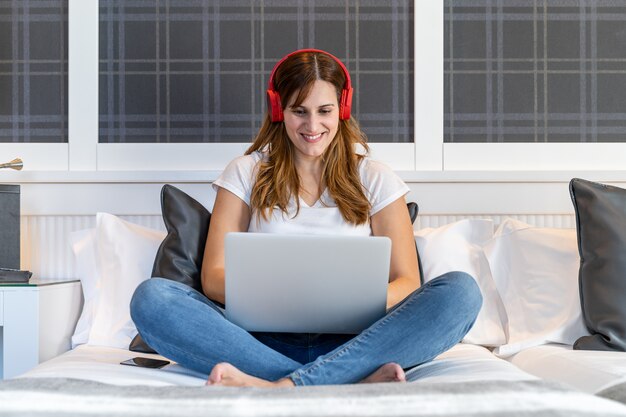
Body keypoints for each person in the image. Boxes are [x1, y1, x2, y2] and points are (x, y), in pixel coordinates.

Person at [130, 49, 482, 388]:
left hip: (357, 340)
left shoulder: (376, 177)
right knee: (152, 299)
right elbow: (214, 278)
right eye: (299, 111)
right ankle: (337, 379)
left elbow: (407, 282)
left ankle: (283, 383)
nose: (312, 125)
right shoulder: (245, 172)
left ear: (342, 108)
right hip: (256, 342)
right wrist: (280, 295)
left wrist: (341, 300)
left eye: (324, 110)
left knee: (462, 293)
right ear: (279, 109)